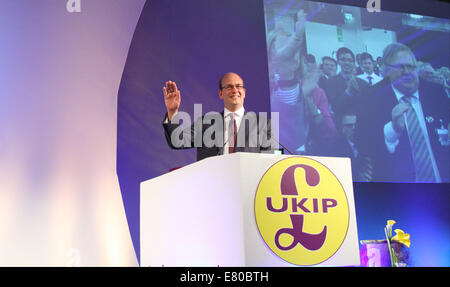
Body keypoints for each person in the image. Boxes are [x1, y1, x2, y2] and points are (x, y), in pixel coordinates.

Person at [356, 43, 450, 182]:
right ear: (386, 70)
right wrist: (392, 130)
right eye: (400, 67)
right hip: (400, 188)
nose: (407, 72)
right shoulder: (372, 100)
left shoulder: (436, 93)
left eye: (411, 66)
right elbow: (364, 145)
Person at [162, 72, 275, 161]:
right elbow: (177, 141)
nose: (235, 90)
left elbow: (270, 161)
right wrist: (172, 111)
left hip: (248, 187)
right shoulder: (206, 123)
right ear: (221, 93)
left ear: (244, 92)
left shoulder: (263, 124)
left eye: (238, 86)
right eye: (229, 87)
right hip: (213, 186)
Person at [323, 47, 370, 121]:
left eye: (350, 60)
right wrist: (348, 92)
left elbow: (367, 106)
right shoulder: (331, 82)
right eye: (343, 60)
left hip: (361, 123)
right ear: (338, 61)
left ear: (354, 63)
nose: (347, 63)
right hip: (341, 125)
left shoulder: (363, 83)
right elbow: (334, 107)